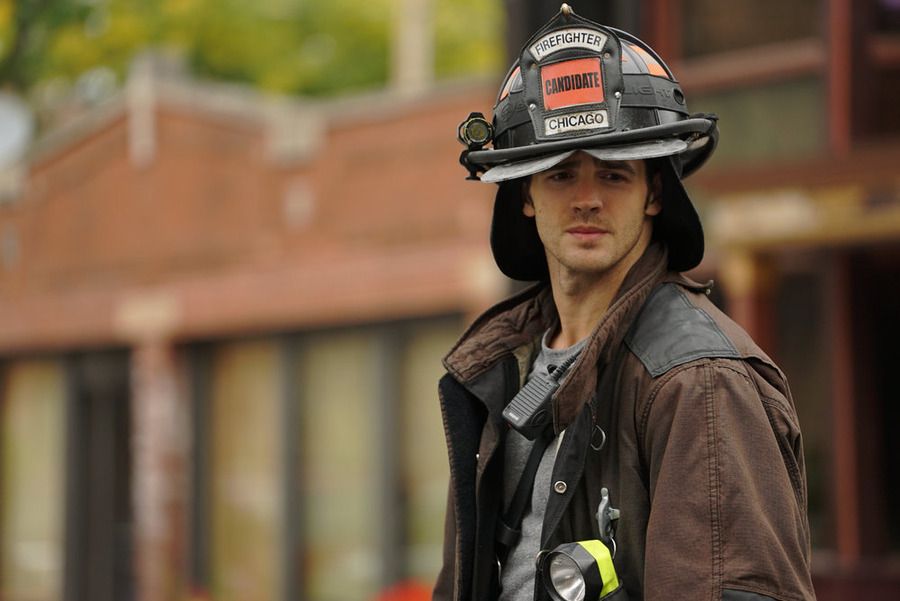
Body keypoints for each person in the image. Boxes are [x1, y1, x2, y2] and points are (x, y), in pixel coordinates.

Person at [434, 5, 815, 601]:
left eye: (613, 175)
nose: (586, 199)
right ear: (525, 196)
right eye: (561, 175)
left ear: (654, 193)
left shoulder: (700, 383)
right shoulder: (501, 371)